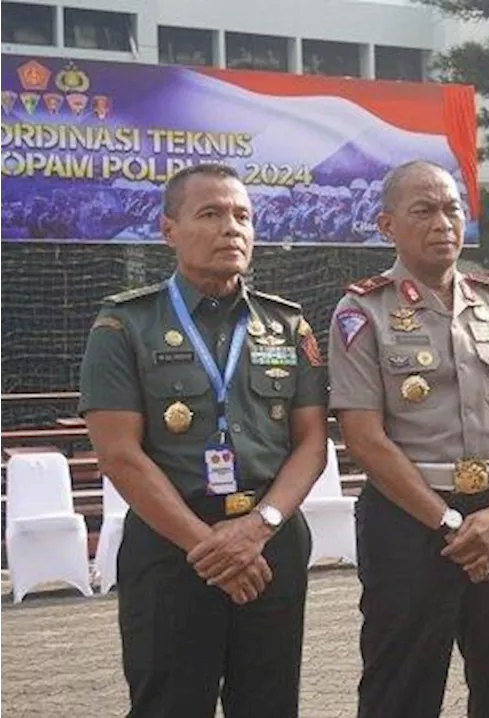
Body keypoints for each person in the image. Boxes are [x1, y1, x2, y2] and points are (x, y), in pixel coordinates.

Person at [79, 163, 328, 718]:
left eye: (242, 216)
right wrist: (208, 545)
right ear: (169, 230)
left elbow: (311, 445)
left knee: (269, 704)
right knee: (169, 704)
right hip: (172, 547)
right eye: (210, 214)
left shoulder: (288, 327)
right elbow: (119, 454)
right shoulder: (124, 325)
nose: (230, 229)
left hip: (271, 543)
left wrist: (255, 530)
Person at [328, 159, 489, 718]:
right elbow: (363, 436)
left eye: (452, 208)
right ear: (387, 226)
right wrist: (450, 522)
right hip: (410, 521)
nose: (442, 223)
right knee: (401, 684)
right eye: (423, 210)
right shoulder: (362, 311)